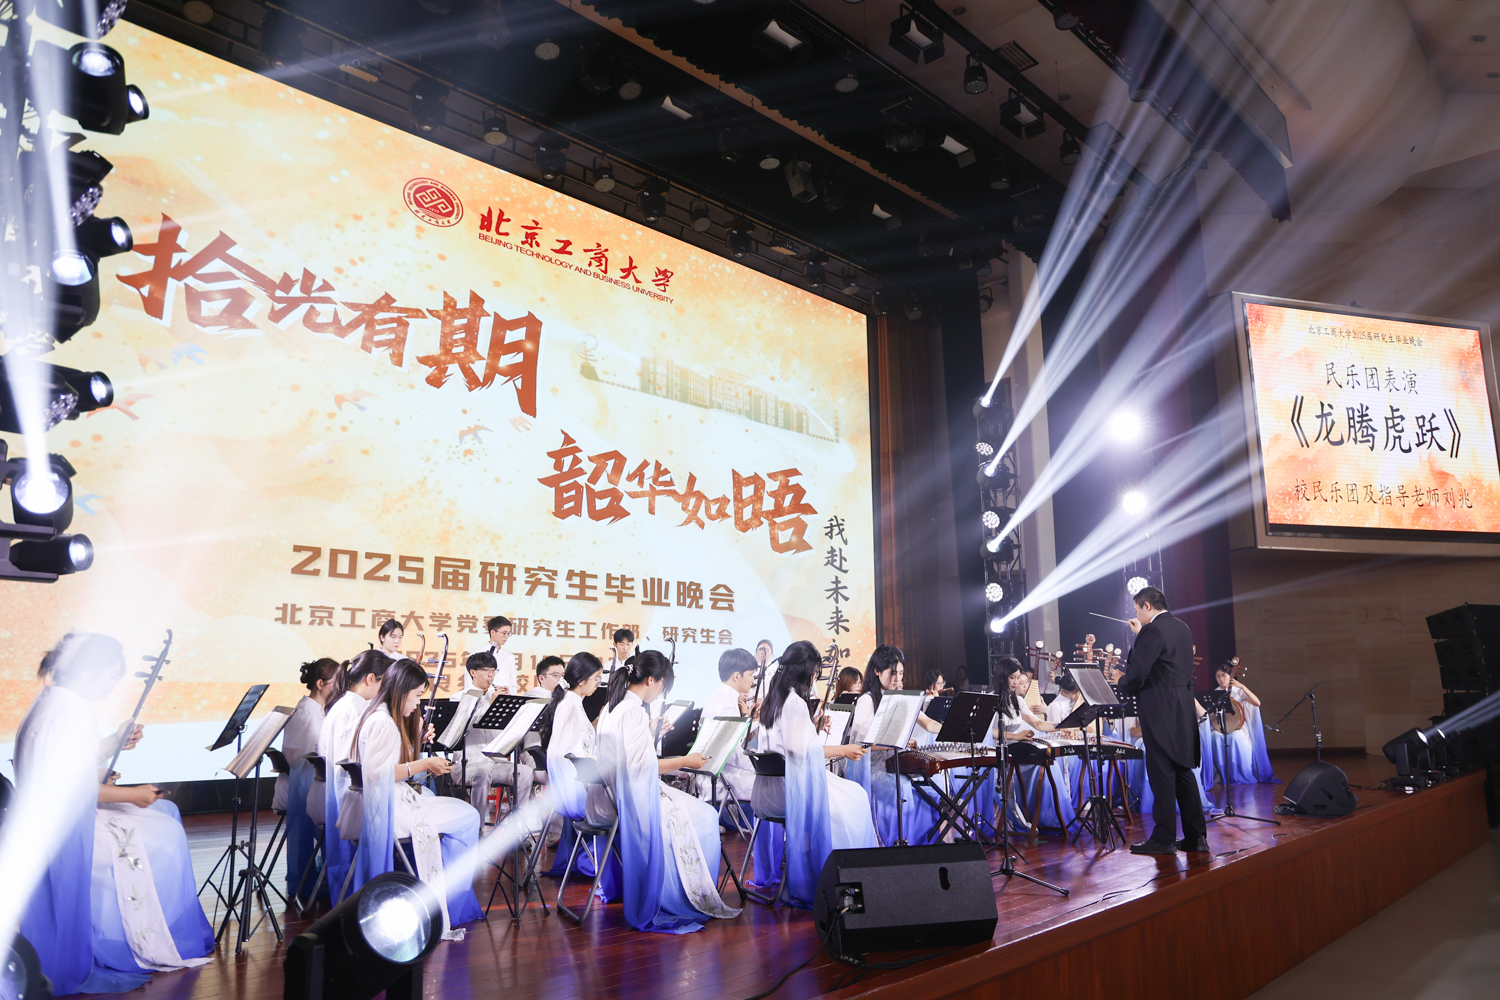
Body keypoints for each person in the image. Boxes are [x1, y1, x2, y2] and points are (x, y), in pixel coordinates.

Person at [14, 633, 213, 996]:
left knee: (166, 811)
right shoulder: (70, 712)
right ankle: (143, 938)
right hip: (61, 828)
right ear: (86, 673)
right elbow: (71, 789)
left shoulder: (56, 702)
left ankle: (146, 931)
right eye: (110, 676)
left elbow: (71, 766)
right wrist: (132, 795)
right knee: (166, 832)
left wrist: (114, 744)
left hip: (52, 817)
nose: (112, 686)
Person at [593, 650, 741, 933]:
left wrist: (652, 734)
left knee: (699, 812)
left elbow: (629, 757)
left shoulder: (613, 707)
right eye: (663, 685)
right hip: (636, 796)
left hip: (616, 792)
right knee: (707, 816)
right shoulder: (633, 711)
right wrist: (685, 761)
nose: (661, 692)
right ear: (652, 680)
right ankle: (692, 895)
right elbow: (642, 766)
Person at [347, 658, 482, 938]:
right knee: (469, 816)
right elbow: (378, 773)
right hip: (390, 808)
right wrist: (424, 764)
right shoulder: (384, 722)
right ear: (401, 691)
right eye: (417, 695)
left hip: (385, 802)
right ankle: (451, 904)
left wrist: (416, 739)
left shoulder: (378, 714)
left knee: (450, 807)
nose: (418, 702)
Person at [752, 641, 874, 906]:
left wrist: (812, 725)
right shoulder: (794, 702)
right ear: (803, 670)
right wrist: (843, 749)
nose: (815, 677)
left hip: (767, 790)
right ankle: (848, 879)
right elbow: (803, 752)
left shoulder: (774, 699)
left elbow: (789, 744)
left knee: (851, 795)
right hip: (791, 789)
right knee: (856, 798)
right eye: (815, 672)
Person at [1120, 587, 1207, 855]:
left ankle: (1164, 838)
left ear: (1147, 606)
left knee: (1162, 775)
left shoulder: (1152, 631)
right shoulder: (1183, 628)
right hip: (1182, 711)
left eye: (1137, 610)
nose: (1137, 616)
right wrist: (1142, 634)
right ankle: (1196, 838)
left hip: (1160, 711)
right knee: (1182, 771)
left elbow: (1138, 672)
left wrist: (1121, 683)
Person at [317, 648, 387, 898]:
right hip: (350, 793)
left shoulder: (345, 705)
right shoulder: (353, 710)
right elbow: (354, 763)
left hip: (342, 791)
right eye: (385, 682)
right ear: (370, 678)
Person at [276, 657, 341, 899]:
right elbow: (309, 755)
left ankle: (318, 880)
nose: (339, 688)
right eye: (336, 683)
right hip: (307, 782)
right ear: (320, 683)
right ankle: (327, 882)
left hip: (306, 779)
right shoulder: (309, 713)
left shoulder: (311, 709)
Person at [538, 652, 605, 877]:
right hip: (575, 792)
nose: (598, 683)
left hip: (571, 789)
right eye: (596, 678)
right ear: (581, 680)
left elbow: (577, 741)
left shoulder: (573, 701)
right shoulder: (569, 704)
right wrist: (592, 760)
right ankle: (599, 866)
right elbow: (562, 754)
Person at [696, 648, 759, 820]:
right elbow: (731, 754)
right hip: (720, 777)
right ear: (737, 676)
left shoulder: (721, 697)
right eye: (751, 674)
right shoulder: (725, 704)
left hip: (716, 772)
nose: (753, 680)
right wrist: (758, 765)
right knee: (771, 783)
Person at [1207, 663, 1276, 785]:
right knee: (1214, 736)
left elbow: (1257, 703)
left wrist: (1242, 686)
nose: (1221, 678)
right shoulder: (1215, 693)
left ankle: (1238, 773)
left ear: (1230, 676)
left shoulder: (1238, 691)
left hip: (1238, 728)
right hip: (1221, 727)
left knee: (1235, 737)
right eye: (1218, 676)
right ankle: (1223, 774)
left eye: (1224, 675)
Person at [486, 615, 517, 694]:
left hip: (503, 698)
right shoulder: (477, 654)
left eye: (508, 633)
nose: (506, 636)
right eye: (504, 633)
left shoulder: (509, 656)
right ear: (492, 632)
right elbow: (470, 685)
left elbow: (513, 686)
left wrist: (507, 691)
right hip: (484, 700)